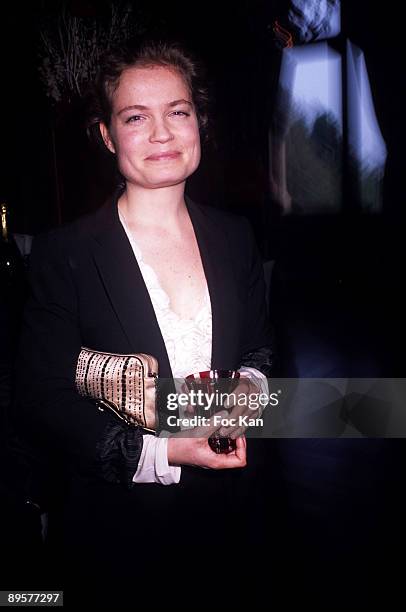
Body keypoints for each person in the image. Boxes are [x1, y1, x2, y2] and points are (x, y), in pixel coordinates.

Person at [15, 40, 274, 607]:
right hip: (115, 537)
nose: (162, 133)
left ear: (199, 122)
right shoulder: (64, 253)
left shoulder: (235, 237)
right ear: (107, 136)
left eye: (178, 112)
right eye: (136, 117)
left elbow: (258, 349)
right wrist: (168, 451)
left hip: (232, 523)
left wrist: (244, 397)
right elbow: (40, 397)